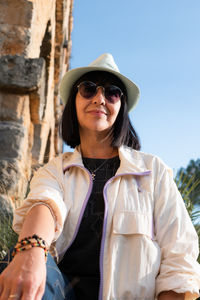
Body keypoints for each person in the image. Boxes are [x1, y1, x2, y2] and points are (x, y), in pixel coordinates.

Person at [0, 53, 199, 300]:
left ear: (121, 106)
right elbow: (45, 203)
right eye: (88, 89)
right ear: (74, 100)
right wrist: (30, 251)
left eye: (112, 92)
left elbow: (179, 255)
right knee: (16, 260)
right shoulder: (55, 170)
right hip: (58, 294)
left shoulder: (152, 171)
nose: (99, 99)